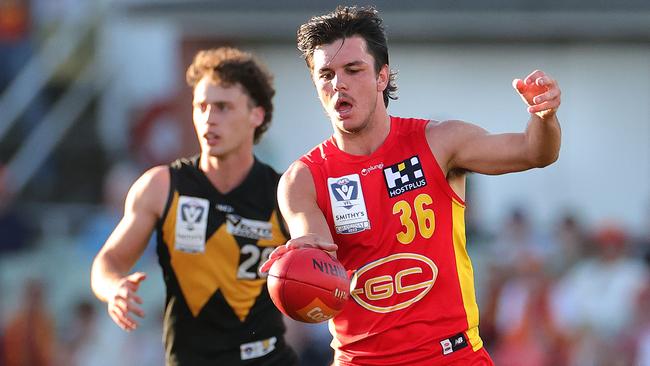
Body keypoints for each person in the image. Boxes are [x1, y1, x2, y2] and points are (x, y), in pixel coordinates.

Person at [260, 5, 562, 366]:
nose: (338, 83)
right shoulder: (302, 178)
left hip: (452, 356)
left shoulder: (439, 141)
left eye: (353, 70)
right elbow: (317, 253)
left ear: (382, 76)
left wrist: (544, 117)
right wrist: (298, 264)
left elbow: (535, 152)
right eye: (326, 74)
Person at [91, 47, 298, 366]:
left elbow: (323, 268)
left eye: (223, 107)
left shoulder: (284, 192)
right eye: (201, 106)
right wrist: (114, 287)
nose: (208, 118)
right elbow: (108, 261)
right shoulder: (161, 186)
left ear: (256, 114)